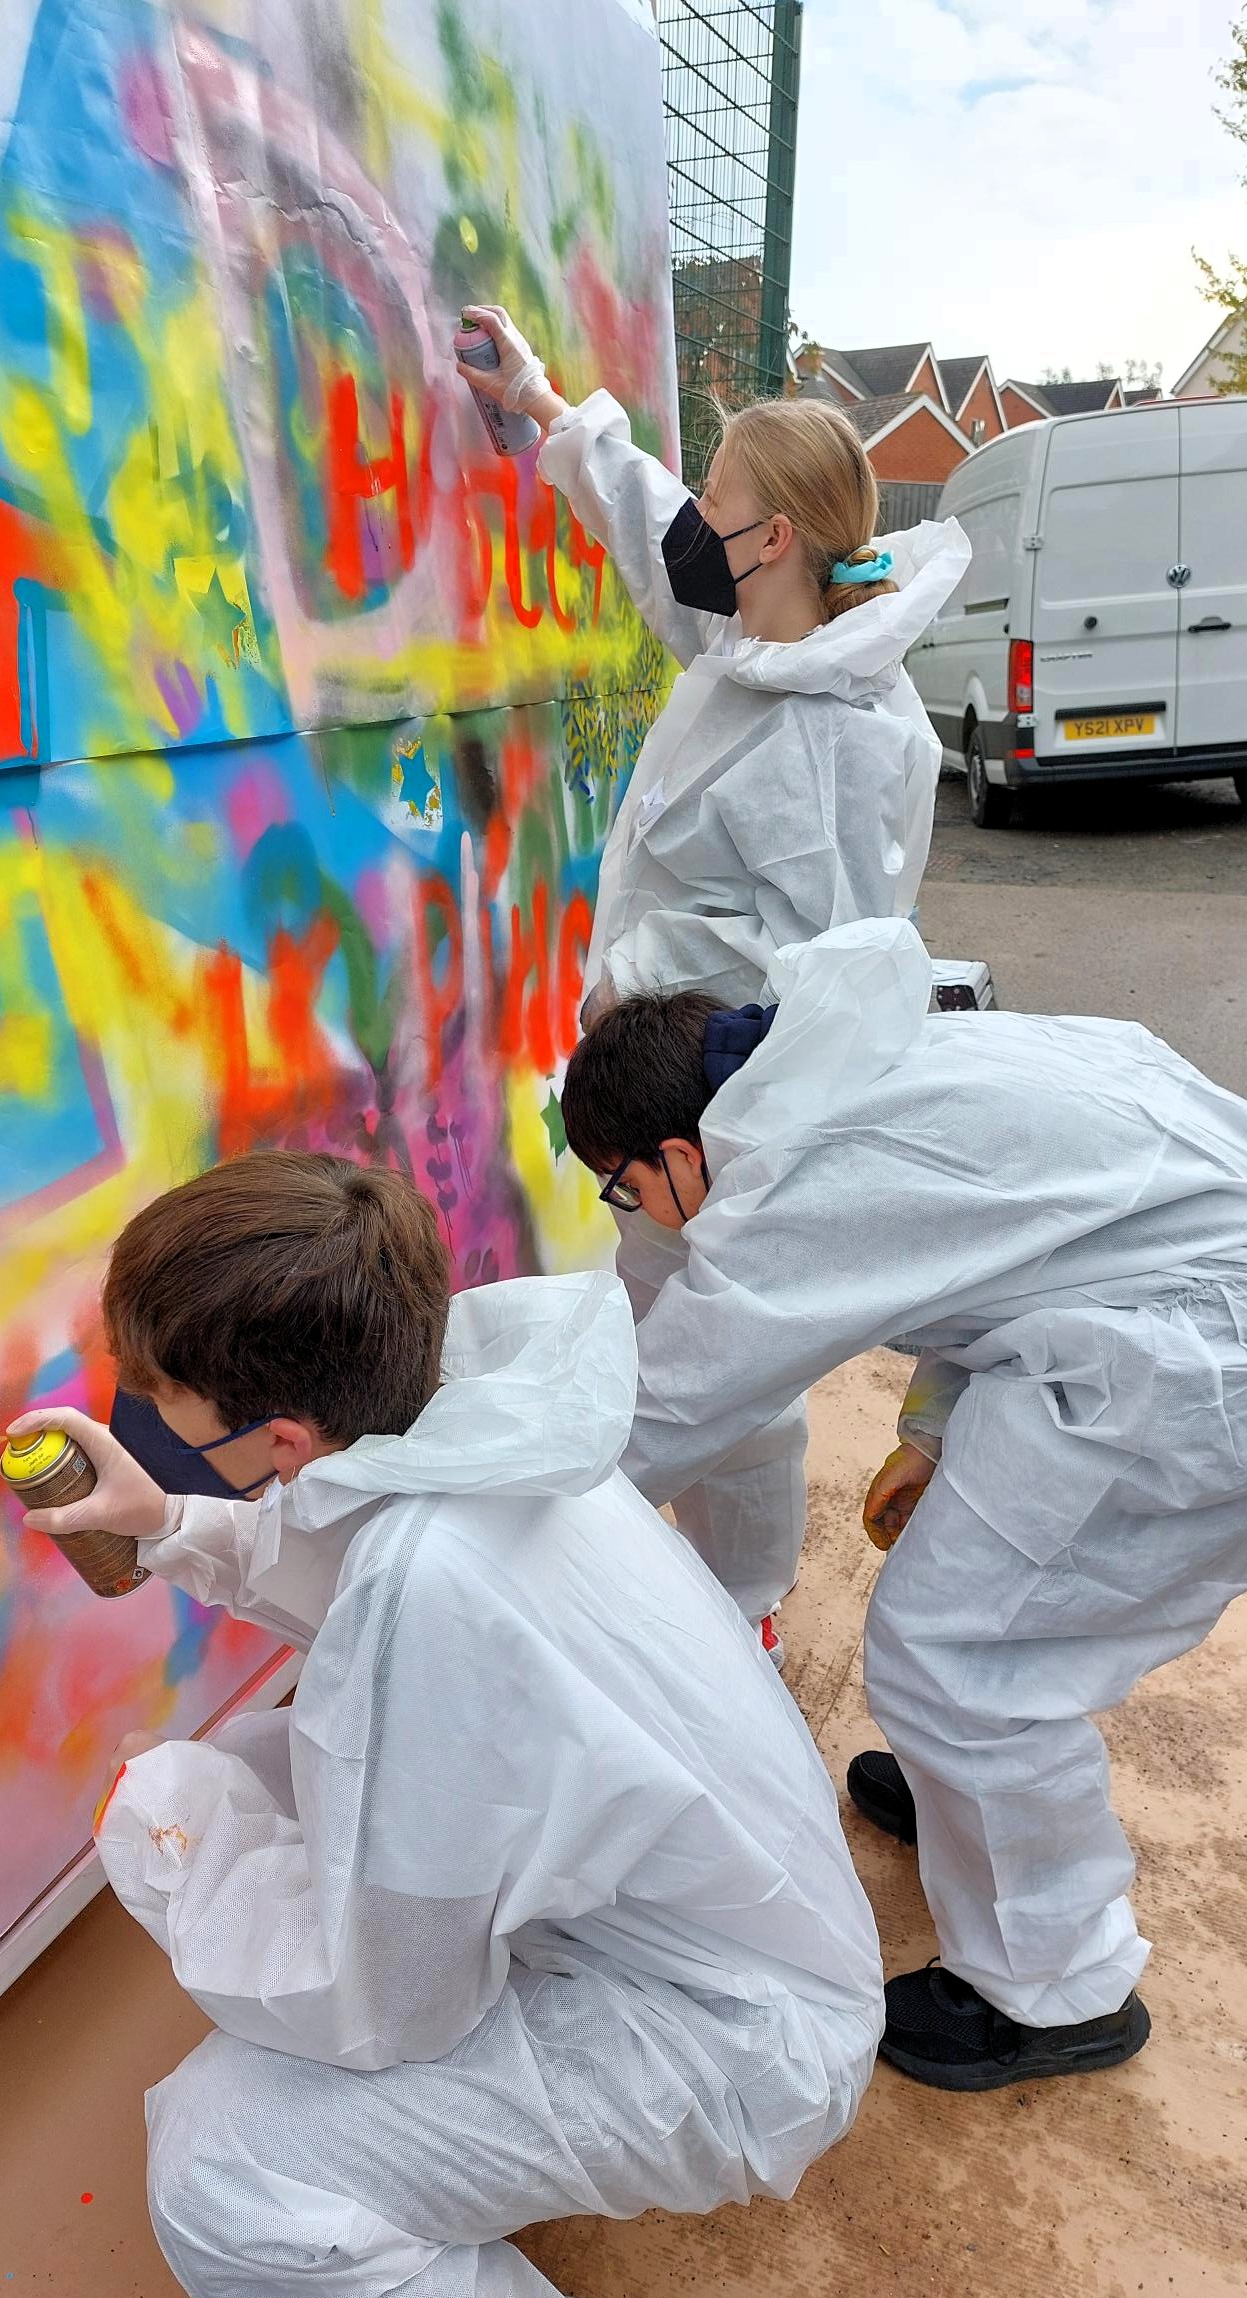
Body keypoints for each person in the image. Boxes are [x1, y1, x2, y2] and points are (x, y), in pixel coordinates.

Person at [10, 1151, 884, 2298]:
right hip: (747, 1931)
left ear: (280, 1440)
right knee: (271, 1769)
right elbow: (349, 1537)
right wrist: (168, 1517)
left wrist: (172, 1854)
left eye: (174, 1416)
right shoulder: (486, 1421)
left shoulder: (424, 1594)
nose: (155, 1422)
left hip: (732, 2041)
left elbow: (387, 2003)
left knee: (228, 2167)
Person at [559, 919, 1247, 2090]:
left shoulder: (800, 1183)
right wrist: (931, 1426)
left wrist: (483, 1525)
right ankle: (975, 1799)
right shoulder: (851, 1062)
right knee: (966, 1644)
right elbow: (1023, 1239)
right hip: (1230, 1285)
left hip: (1245, 1348)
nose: (637, 1214)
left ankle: (1057, 1986)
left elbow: (659, 1414)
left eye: (627, 1187)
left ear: (678, 1149)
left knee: (962, 1651)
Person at [458, 303, 971, 1654]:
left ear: (778, 540)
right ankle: (661, 1575)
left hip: (726, 1093)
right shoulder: (765, 643)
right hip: (666, 1069)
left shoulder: (839, 736)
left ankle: (737, 1605)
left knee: (731, 1366)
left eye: (725, 510)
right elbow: (658, 533)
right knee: (660, 1322)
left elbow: (822, 966)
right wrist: (551, 411)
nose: (700, 530)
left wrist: (639, 966)